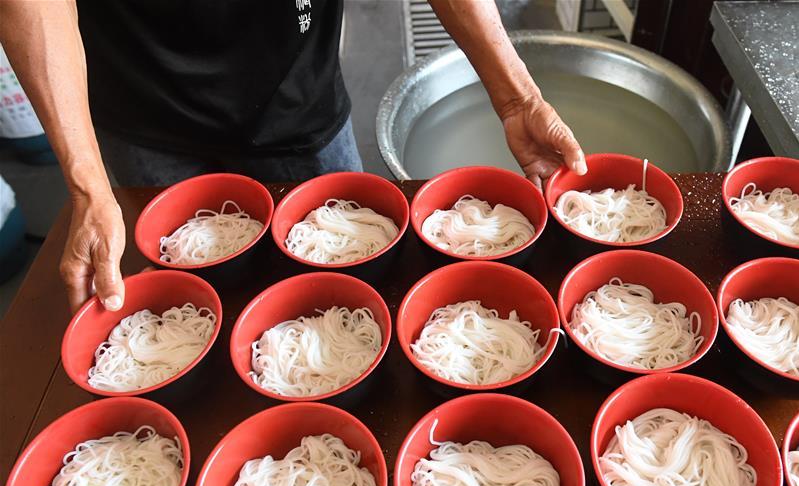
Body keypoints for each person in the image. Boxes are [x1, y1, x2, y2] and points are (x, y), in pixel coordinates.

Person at [0, 0, 586, 314]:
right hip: (145, 110)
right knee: (196, 302)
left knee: (354, 290)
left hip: (300, 101)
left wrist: (515, 95)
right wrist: (86, 185)